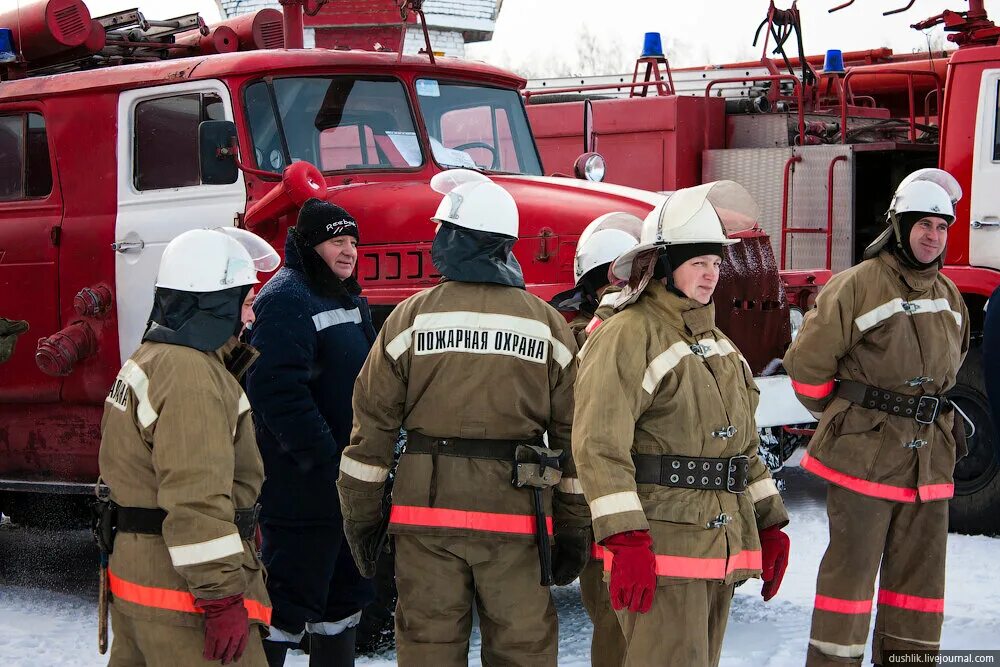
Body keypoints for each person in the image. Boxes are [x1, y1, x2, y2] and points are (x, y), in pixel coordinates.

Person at [336, 169, 590, 666]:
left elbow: (371, 434)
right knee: (523, 651)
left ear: (455, 239)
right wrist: (574, 530)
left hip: (423, 520)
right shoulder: (548, 325)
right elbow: (574, 440)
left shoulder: (409, 320)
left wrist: (363, 522)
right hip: (517, 520)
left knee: (428, 649)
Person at [573, 181, 790, 667]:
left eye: (716, 263)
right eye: (698, 263)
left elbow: (744, 450)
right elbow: (598, 445)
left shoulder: (719, 344)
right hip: (661, 553)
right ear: (663, 266)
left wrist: (770, 523)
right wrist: (625, 539)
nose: (712, 274)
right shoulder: (628, 335)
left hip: (719, 550)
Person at [783, 168, 970, 666]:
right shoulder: (858, 285)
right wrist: (851, 415)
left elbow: (950, 373)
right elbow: (807, 370)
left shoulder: (949, 296)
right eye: (923, 224)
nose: (933, 236)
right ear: (899, 226)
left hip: (929, 464)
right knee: (850, 581)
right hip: (863, 460)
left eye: (941, 226)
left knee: (919, 590)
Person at [97, 227, 279, 666]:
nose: (250, 318)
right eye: (246, 302)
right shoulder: (191, 377)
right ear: (215, 304)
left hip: (142, 582)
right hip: (183, 600)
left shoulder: (150, 358)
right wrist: (220, 599)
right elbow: (195, 498)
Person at [245, 198, 376, 666]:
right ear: (309, 244)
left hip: (342, 486)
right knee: (286, 601)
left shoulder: (343, 295)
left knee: (343, 599)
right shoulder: (285, 298)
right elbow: (276, 391)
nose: (348, 252)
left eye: (353, 242)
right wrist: (325, 459)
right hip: (302, 491)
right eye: (336, 242)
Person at [552, 211, 642, 667]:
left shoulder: (573, 336)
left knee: (617, 616)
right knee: (619, 619)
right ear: (616, 273)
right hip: (614, 503)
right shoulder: (599, 336)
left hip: (599, 505)